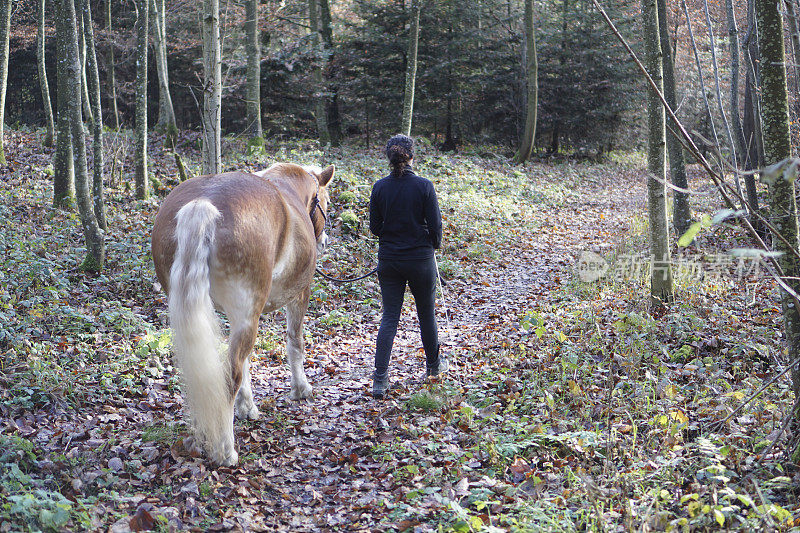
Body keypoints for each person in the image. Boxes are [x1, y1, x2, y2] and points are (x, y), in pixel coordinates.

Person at [368, 134, 444, 399]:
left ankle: (379, 380)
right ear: (412, 156)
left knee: (389, 317)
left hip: (389, 261)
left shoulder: (379, 187)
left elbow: (375, 228)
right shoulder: (424, 186)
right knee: (426, 315)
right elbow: (436, 228)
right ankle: (433, 369)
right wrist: (432, 243)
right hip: (421, 261)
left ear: (388, 158)